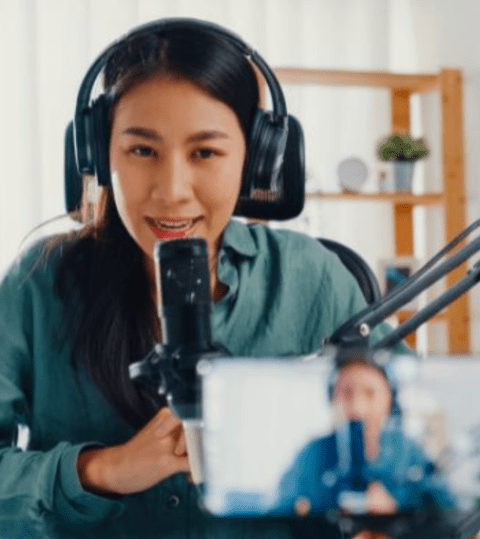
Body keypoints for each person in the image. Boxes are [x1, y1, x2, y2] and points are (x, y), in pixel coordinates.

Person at [0, 18, 404, 539]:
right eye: (142, 150)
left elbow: (407, 447)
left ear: (257, 163)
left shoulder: (314, 279)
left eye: (205, 153)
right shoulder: (38, 285)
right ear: (99, 155)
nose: (171, 191)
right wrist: (103, 470)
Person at [272, 359, 456, 517]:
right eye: (346, 393)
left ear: (389, 400)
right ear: (332, 398)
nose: (358, 408)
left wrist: (394, 515)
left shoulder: (409, 453)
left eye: (370, 393)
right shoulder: (313, 455)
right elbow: (277, 515)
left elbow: (451, 516)